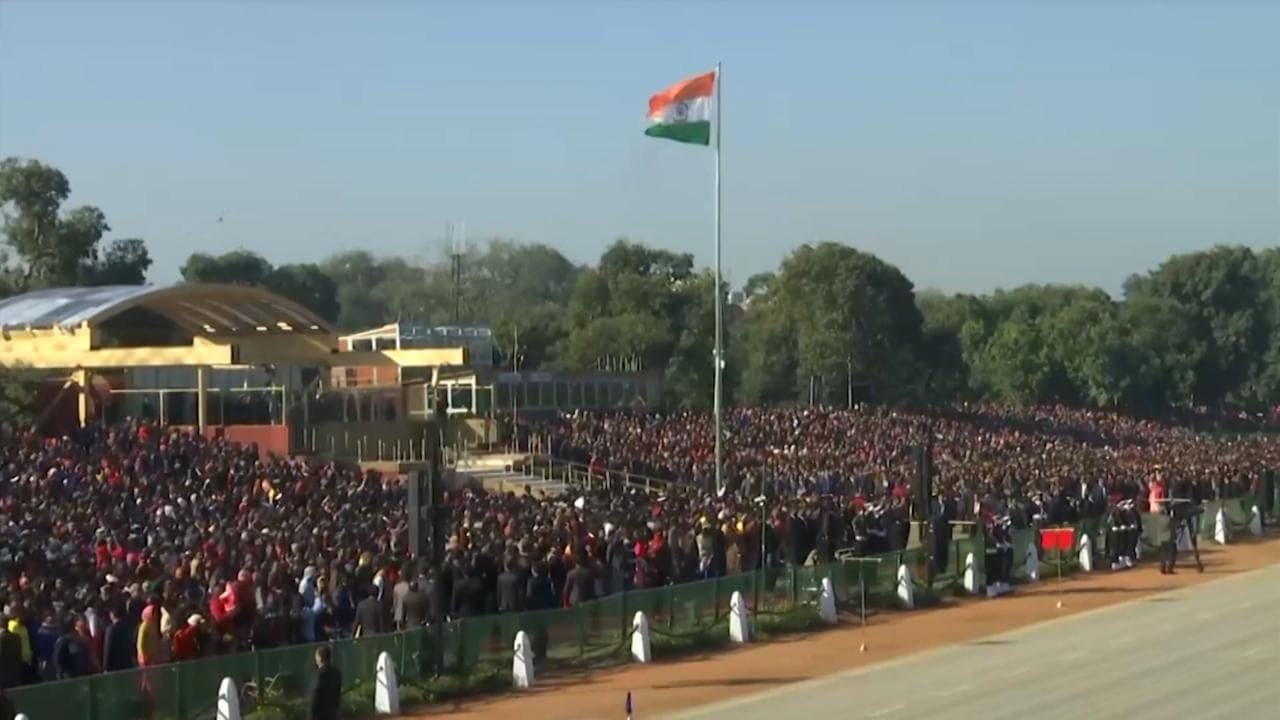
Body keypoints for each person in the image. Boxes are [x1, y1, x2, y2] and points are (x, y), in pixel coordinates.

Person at [309, 645, 342, 720]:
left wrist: (312, 715)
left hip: (321, 714)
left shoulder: (319, 674)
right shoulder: (336, 672)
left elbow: (316, 695)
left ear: (320, 658)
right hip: (333, 711)